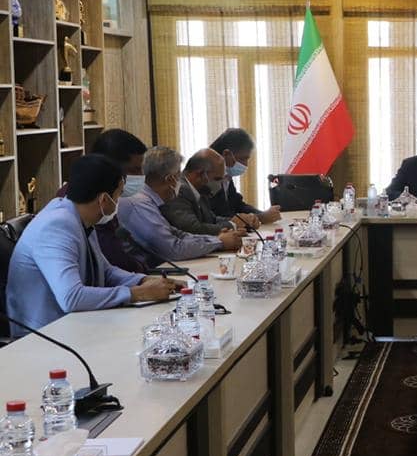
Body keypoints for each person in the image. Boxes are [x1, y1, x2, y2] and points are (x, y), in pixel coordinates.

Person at [7, 154, 180, 336]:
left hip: (74, 325)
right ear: (104, 199)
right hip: (44, 337)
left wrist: (144, 281)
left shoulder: (79, 217)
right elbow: (72, 297)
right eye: (119, 195)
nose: (119, 202)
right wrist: (137, 293)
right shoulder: (56, 226)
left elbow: (106, 271)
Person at [54, 128, 156, 273]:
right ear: (109, 166)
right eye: (134, 170)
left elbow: (109, 265)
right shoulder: (85, 201)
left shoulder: (106, 195)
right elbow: (113, 258)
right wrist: (142, 273)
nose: (141, 176)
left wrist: (143, 276)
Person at [119, 146, 243, 261]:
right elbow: (173, 249)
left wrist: (217, 239)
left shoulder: (149, 200)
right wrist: (219, 242)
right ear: (170, 179)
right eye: (179, 176)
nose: (181, 181)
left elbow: (178, 234)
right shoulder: (139, 204)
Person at [162, 149, 257, 236]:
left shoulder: (201, 191)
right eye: (217, 179)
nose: (221, 185)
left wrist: (243, 221)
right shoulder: (178, 190)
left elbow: (212, 220)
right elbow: (193, 229)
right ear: (199, 174)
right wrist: (233, 224)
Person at [207, 128, 281, 225]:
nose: (245, 165)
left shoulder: (226, 175)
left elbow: (237, 205)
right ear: (226, 154)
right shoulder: (207, 177)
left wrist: (262, 214)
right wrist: (260, 217)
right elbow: (216, 215)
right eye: (243, 159)